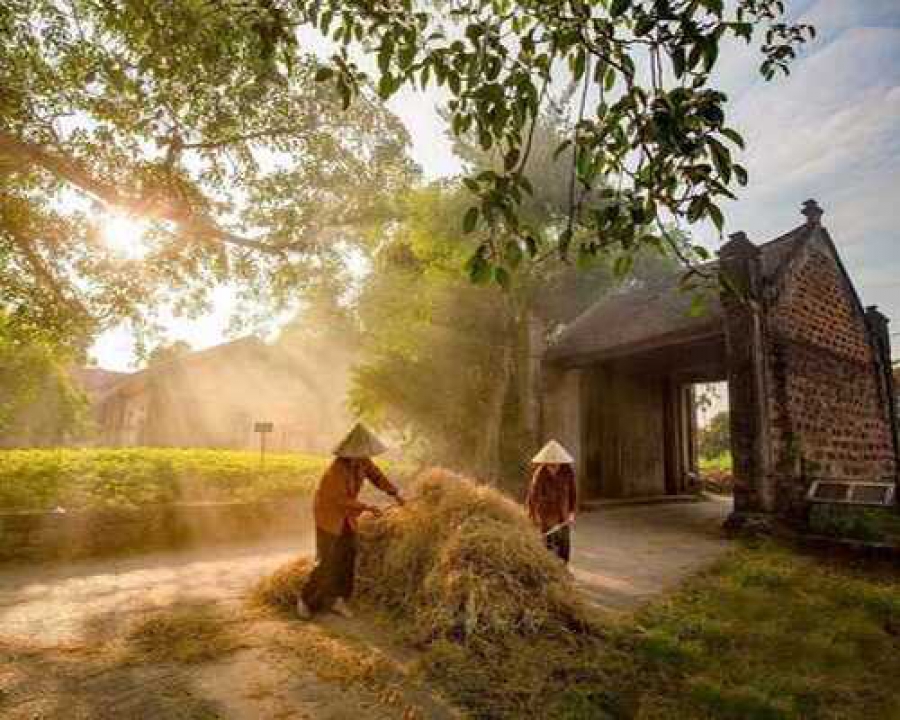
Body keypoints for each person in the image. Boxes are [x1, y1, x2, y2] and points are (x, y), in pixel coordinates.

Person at [297, 422, 403, 620]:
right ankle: (305, 600)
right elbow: (340, 500)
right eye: (361, 452)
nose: (365, 456)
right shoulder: (334, 472)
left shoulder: (362, 462)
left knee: (348, 557)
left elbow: (377, 476)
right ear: (350, 452)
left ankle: (338, 599)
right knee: (327, 560)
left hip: (347, 517)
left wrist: (394, 493)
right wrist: (367, 507)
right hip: (329, 516)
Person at [525, 440, 577, 564]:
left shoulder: (567, 472)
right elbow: (533, 497)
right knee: (547, 547)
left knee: (564, 547)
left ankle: (564, 570)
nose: (553, 468)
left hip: (562, 517)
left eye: (555, 465)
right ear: (545, 463)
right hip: (545, 517)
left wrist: (572, 513)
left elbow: (573, 494)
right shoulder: (540, 474)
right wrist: (533, 516)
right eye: (550, 465)